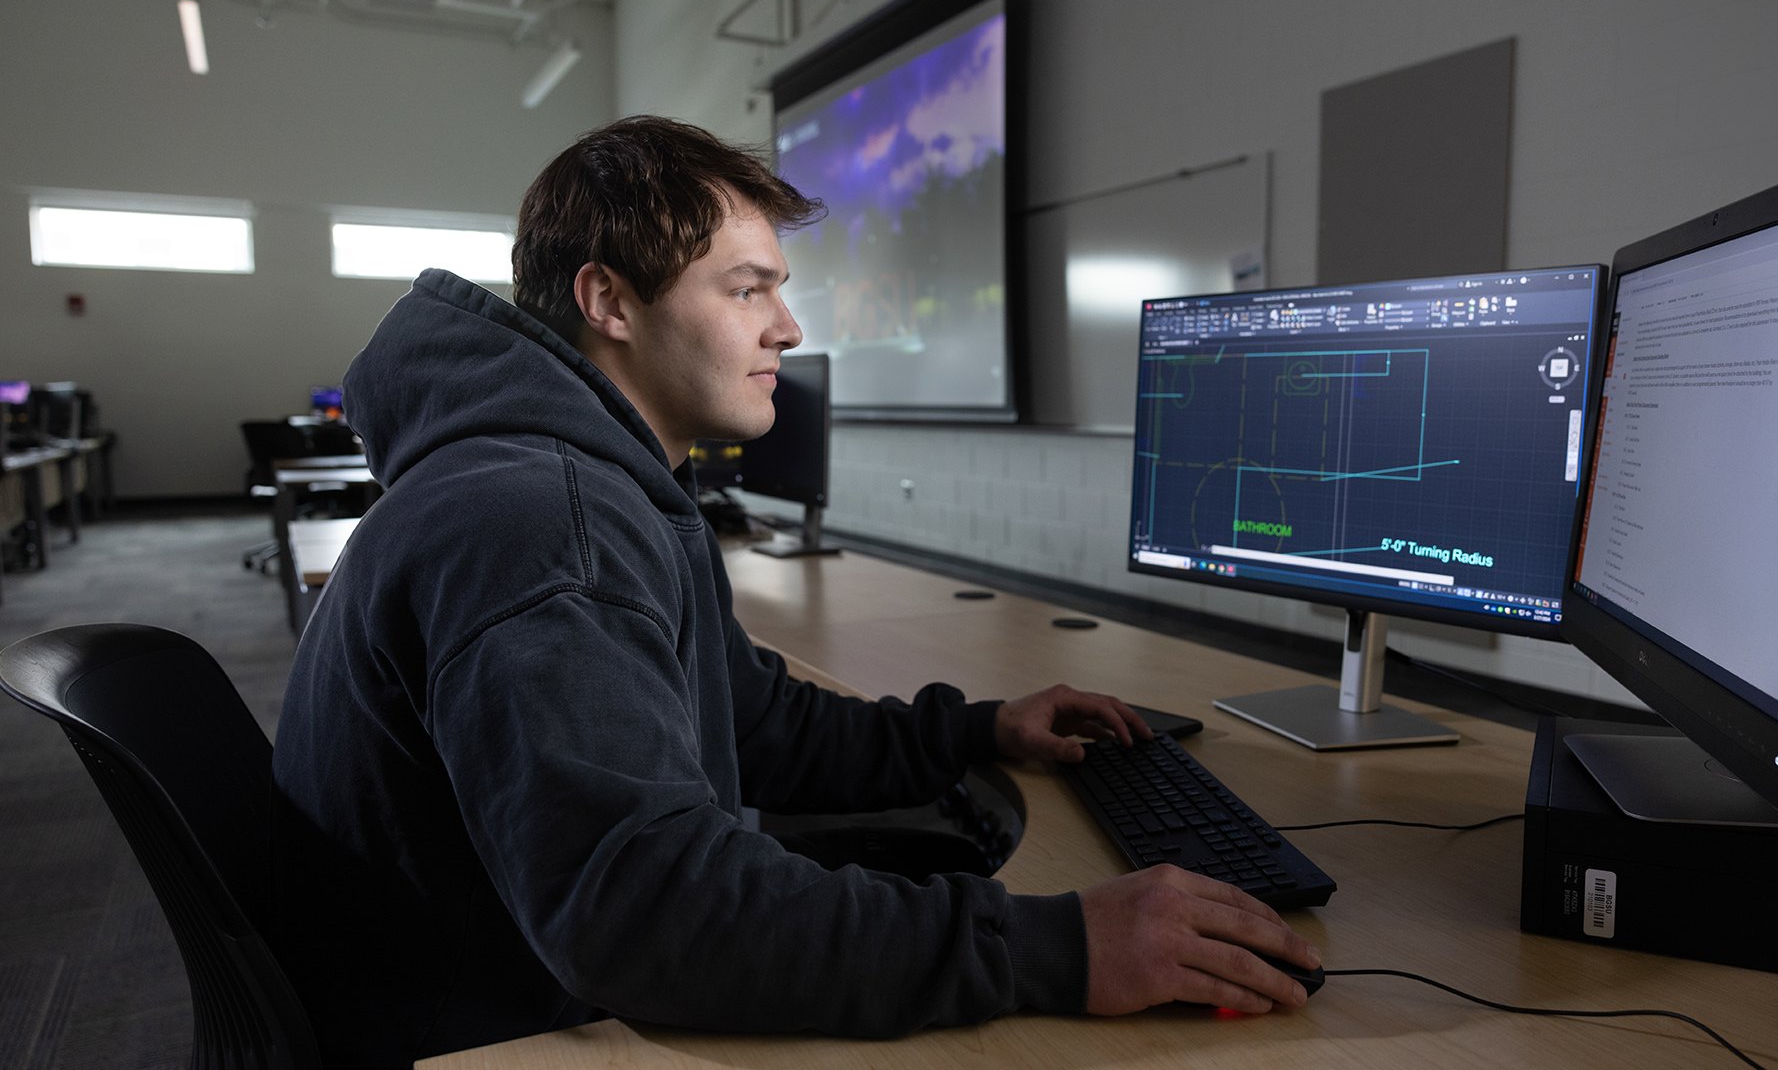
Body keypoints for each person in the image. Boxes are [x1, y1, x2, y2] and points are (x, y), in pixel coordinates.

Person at [270, 115, 1319, 1069]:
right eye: (746, 288)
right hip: (491, 1034)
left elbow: (754, 723)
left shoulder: (594, 483)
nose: (789, 328)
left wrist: (982, 730)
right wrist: (1059, 945)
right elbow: (648, 915)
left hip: (498, 977)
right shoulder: (549, 524)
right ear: (608, 301)